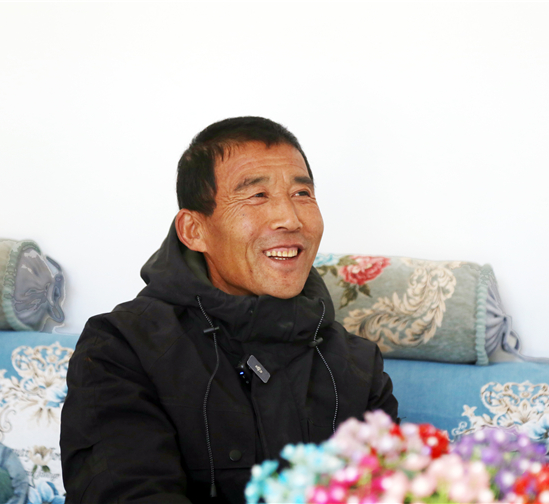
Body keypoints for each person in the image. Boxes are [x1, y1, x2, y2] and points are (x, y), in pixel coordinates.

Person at [60, 117, 399, 503]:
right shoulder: (123, 348)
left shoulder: (356, 363)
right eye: (257, 195)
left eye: (302, 193)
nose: (290, 219)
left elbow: (393, 489)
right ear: (194, 231)